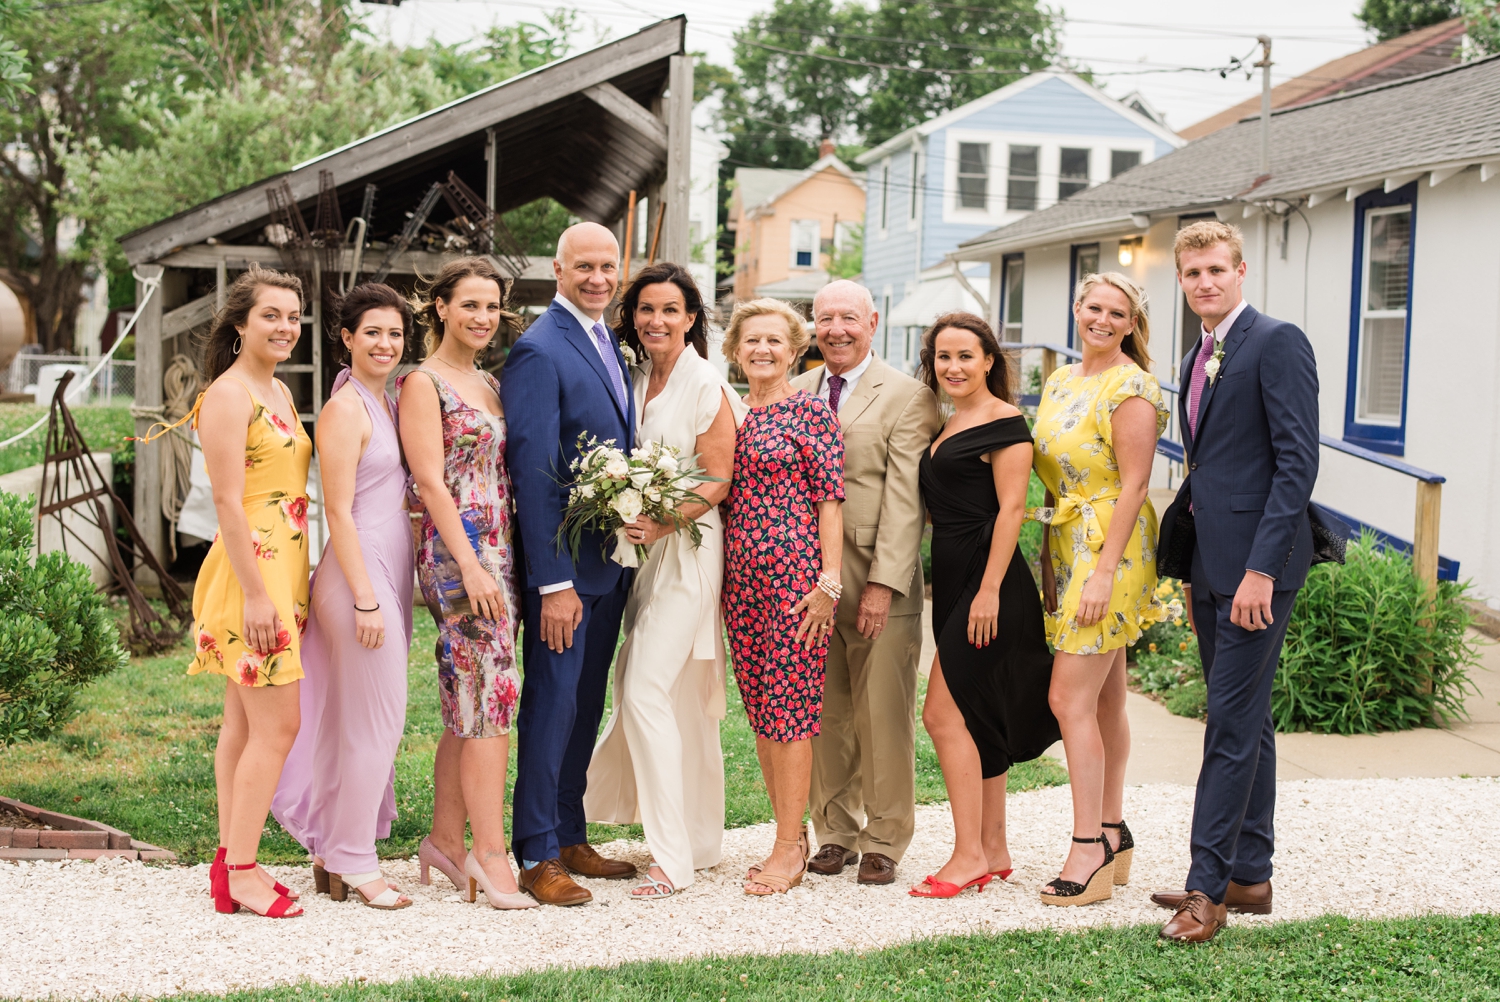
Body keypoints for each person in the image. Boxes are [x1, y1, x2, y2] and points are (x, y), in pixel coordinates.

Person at [1151, 221, 1318, 943]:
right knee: (1248, 720)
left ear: (1241, 270)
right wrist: (1197, 570)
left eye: (1217, 269)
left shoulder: (1276, 342)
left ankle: (1206, 891)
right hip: (1212, 567)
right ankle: (1250, 875)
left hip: (1259, 569)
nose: (1205, 283)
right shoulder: (1199, 353)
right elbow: (1209, 469)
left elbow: (1296, 465)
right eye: (1193, 274)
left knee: (1226, 723)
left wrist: (1259, 571)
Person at [584, 263, 746, 900]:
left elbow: (717, 479)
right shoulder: (634, 377)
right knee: (669, 697)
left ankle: (671, 861)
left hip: (691, 557)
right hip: (644, 562)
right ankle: (702, 839)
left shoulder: (705, 382)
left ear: (691, 318)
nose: (656, 320)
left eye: (670, 310)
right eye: (646, 309)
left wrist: (663, 517)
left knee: (644, 687)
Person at [501, 222, 638, 906]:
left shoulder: (603, 337)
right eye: (584, 265)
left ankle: (569, 830)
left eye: (607, 266)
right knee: (552, 704)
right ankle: (535, 852)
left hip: (608, 565)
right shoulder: (538, 350)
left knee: (583, 704)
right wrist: (552, 581)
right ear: (557, 269)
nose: (597, 277)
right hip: (565, 577)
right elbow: (533, 473)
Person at [789, 280, 941, 887]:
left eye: (848, 318)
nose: (836, 331)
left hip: (876, 574)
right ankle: (834, 831)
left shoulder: (908, 397)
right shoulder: (795, 389)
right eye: (825, 319)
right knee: (823, 710)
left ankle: (884, 837)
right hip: (806, 581)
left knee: (883, 712)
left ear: (872, 322)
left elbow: (907, 502)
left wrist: (883, 585)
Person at [272, 283, 415, 910]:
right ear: (347, 338)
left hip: (386, 574)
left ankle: (332, 852)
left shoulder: (385, 402)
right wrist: (364, 598)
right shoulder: (344, 410)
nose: (385, 344)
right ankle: (357, 860)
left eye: (395, 334)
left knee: (349, 721)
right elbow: (338, 511)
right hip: (357, 579)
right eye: (373, 333)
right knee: (378, 723)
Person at [398, 257, 535, 910]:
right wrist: (473, 565)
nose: (482, 318)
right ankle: (490, 855)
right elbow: (429, 482)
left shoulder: (487, 380)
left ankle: (445, 842)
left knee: (469, 702)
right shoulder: (423, 383)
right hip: (462, 559)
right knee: (492, 700)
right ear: (440, 308)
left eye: (491, 307)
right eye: (469, 305)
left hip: (501, 552)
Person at [910, 312, 1060, 899]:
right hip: (953, 580)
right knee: (977, 715)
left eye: (965, 356)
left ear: (989, 360)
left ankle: (968, 854)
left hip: (988, 584)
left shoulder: (1005, 424)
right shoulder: (949, 422)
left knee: (942, 716)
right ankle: (993, 849)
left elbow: (1012, 510)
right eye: (943, 357)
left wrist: (990, 589)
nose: (953, 367)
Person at [1032, 271, 1169, 908]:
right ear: (1077, 308)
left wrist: (1106, 572)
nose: (1104, 319)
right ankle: (1114, 829)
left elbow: (1137, 484)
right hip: (1068, 539)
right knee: (1106, 696)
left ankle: (1087, 848)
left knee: (1068, 697)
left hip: (1112, 545)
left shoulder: (1133, 385)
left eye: (1118, 312)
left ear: (1131, 323)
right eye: (1094, 307)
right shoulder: (1060, 380)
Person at [187, 269, 311, 919]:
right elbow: (229, 505)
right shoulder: (230, 395)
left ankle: (231, 861)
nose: (286, 327)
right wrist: (260, 598)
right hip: (250, 575)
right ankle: (241, 870)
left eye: (293, 317)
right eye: (272, 315)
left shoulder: (278, 390)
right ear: (240, 324)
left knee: (241, 725)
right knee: (278, 726)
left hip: (280, 571)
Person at [721, 298, 845, 896]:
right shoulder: (730, 411)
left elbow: (830, 500)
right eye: (751, 341)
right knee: (762, 712)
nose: (762, 351)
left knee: (791, 712)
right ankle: (786, 833)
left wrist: (829, 582)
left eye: (774, 341)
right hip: (737, 583)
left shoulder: (811, 413)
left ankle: (789, 844)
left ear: (796, 349)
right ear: (735, 350)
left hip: (796, 582)